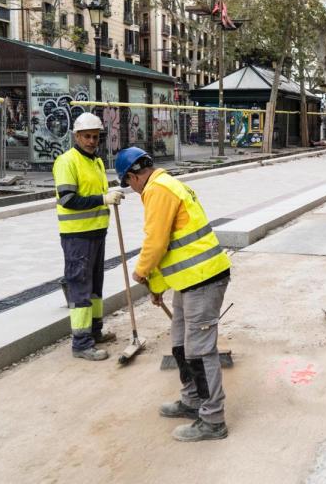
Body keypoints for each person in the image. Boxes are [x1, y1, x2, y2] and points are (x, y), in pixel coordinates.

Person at [117, 146, 232, 442]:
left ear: (133, 176)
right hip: (189, 280)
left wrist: (141, 272)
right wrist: (156, 287)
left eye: (128, 183)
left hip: (204, 280)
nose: (131, 189)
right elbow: (170, 243)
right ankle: (192, 400)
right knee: (180, 341)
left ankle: (212, 420)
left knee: (199, 350)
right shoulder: (167, 184)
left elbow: (155, 243)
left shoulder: (158, 190)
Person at [53, 113, 124, 361]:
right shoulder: (66, 162)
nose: (92, 141)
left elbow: (94, 191)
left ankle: (95, 331)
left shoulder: (96, 162)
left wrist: (109, 193)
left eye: (95, 137)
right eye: (87, 136)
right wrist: (103, 199)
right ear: (76, 136)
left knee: (95, 287)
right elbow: (68, 199)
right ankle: (81, 343)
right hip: (77, 237)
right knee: (80, 288)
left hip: (96, 232)